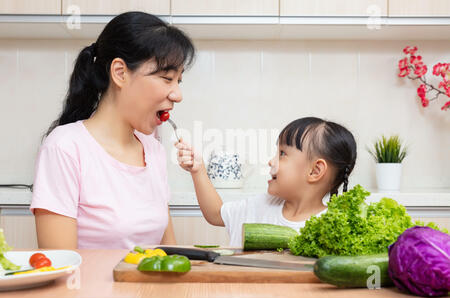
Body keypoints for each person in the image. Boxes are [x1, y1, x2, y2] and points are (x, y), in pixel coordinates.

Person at [30, 12, 195, 249]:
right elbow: (62, 271)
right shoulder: (64, 148)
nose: (177, 95)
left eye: (178, 81)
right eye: (166, 78)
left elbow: (168, 253)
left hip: (146, 288)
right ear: (120, 73)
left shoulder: (153, 150)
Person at [175, 117, 357, 247]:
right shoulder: (261, 205)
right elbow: (215, 214)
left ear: (315, 171)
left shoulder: (331, 228)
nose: (271, 161)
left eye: (283, 154)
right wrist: (198, 170)